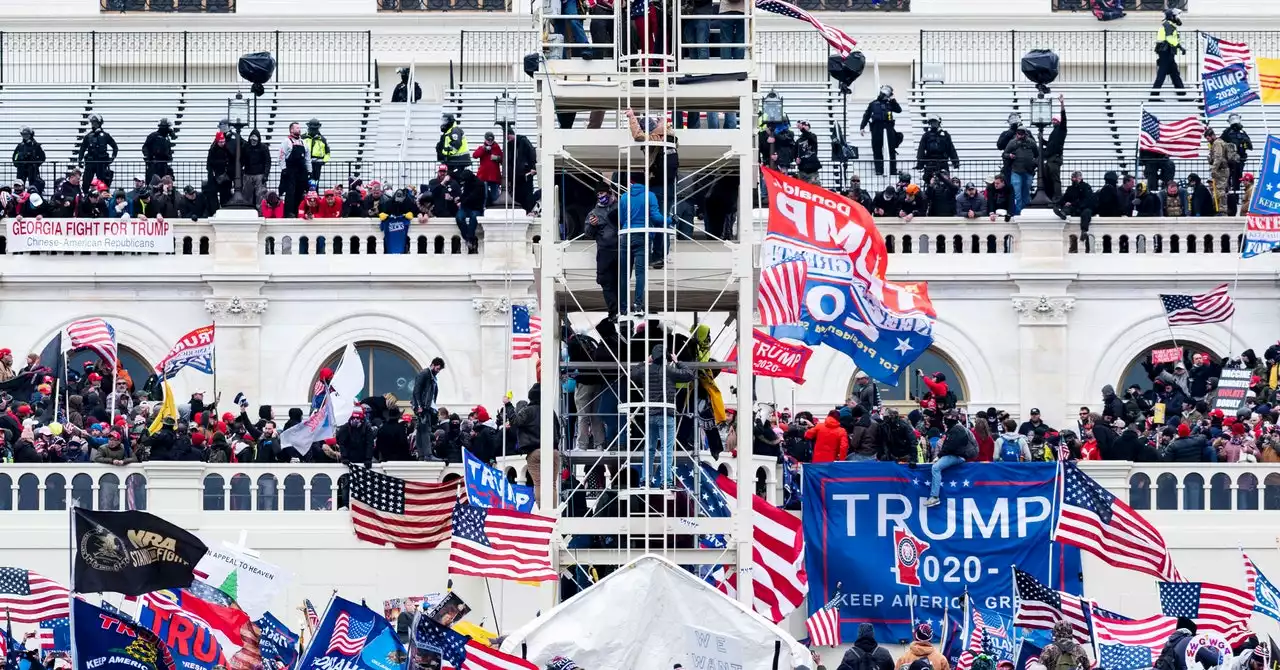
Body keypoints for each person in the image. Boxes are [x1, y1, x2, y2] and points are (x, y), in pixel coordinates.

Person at [629, 344, 694, 487]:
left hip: (650, 414)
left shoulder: (645, 371)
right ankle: (666, 480)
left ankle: (645, 479)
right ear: (666, 356)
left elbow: (632, 374)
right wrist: (677, 361)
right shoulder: (669, 371)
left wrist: (645, 362)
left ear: (652, 356)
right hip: (666, 413)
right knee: (666, 448)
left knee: (650, 447)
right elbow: (689, 375)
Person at [617, 171, 666, 315]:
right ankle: (638, 305)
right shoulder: (650, 195)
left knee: (624, 274)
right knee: (640, 273)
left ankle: (623, 308)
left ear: (631, 181)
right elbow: (656, 218)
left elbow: (621, 219)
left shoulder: (624, 197)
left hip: (626, 235)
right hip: (643, 236)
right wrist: (669, 221)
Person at [585, 181, 620, 316]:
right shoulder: (594, 213)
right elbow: (588, 233)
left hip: (620, 250)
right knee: (606, 282)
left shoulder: (620, 207)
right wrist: (592, 226)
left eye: (602, 193)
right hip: (604, 252)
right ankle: (614, 311)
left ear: (609, 192)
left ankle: (622, 310)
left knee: (620, 282)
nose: (600, 196)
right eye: (598, 194)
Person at [925, 410, 972, 507]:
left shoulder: (957, 429)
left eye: (947, 417)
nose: (944, 420)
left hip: (957, 456)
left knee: (935, 468)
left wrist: (939, 456)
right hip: (956, 454)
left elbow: (950, 446)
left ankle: (934, 497)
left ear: (953, 418)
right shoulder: (954, 429)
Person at [862, 86, 902, 176]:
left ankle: (892, 170)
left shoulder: (890, 104)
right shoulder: (873, 104)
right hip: (877, 127)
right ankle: (879, 170)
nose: (881, 95)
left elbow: (899, 110)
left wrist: (893, 100)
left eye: (884, 94)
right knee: (877, 149)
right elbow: (867, 115)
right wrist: (862, 126)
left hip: (888, 126)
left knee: (891, 149)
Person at [412, 357, 445, 460]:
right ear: (433, 365)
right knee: (425, 429)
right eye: (437, 368)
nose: (438, 371)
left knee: (421, 429)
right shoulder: (425, 374)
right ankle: (428, 454)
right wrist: (419, 406)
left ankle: (422, 454)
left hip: (425, 406)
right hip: (423, 407)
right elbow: (416, 390)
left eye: (439, 369)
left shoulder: (430, 376)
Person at [78, 114, 119, 195]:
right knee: (86, 182)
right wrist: (80, 159)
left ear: (100, 123)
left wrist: (112, 158)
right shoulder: (88, 136)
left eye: (95, 123)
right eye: (92, 123)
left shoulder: (106, 136)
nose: (93, 125)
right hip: (90, 162)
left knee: (103, 182)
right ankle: (86, 196)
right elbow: (82, 149)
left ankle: (104, 197)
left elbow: (115, 147)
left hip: (101, 163)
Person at [1150, 8, 1186, 99]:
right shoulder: (1168, 25)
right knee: (1161, 74)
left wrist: (1178, 46)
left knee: (1175, 74)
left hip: (1167, 51)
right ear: (1171, 16)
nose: (1178, 17)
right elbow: (1170, 39)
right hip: (1166, 52)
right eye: (1177, 15)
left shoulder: (1169, 24)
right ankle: (1153, 97)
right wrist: (1179, 46)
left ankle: (1182, 95)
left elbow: (1171, 39)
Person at [1003, 125, 1039, 215]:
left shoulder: (1031, 142)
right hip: (1016, 171)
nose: (1020, 135)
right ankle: (1018, 213)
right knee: (1017, 194)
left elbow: (1038, 155)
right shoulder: (1012, 143)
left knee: (1026, 194)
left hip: (1028, 171)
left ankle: (1025, 213)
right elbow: (1004, 154)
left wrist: (1034, 163)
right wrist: (1010, 156)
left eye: (1022, 134)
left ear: (1025, 134)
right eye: (1018, 133)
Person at [1055, 171, 1096, 246]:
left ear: (1080, 178)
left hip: (1083, 208)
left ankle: (1084, 231)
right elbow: (1064, 198)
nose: (1073, 180)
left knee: (1086, 213)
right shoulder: (1070, 189)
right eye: (1072, 178)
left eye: (1075, 178)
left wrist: (1073, 203)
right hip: (1073, 208)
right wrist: (1064, 203)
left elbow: (1087, 200)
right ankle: (1063, 213)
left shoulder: (1086, 187)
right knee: (1067, 208)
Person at [1221, 113, 1252, 213]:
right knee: (1229, 181)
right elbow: (1220, 144)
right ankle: (1231, 200)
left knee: (1237, 181)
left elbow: (1250, 146)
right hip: (1230, 162)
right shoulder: (1226, 132)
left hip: (1240, 161)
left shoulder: (1243, 132)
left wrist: (1245, 141)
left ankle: (1236, 199)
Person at [916, 115, 959, 184]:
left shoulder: (945, 135)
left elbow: (951, 149)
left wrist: (955, 162)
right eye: (931, 122)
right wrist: (920, 164)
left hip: (943, 162)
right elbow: (921, 150)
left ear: (939, 123)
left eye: (934, 122)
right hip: (930, 163)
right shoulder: (926, 135)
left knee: (945, 181)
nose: (933, 124)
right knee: (930, 182)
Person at [278, 122, 308, 218]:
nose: (299, 129)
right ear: (291, 130)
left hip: (301, 170)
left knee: (300, 191)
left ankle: (297, 211)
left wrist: (309, 171)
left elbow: (308, 158)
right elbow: (281, 156)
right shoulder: (286, 141)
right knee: (290, 192)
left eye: (299, 128)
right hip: (291, 170)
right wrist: (283, 169)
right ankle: (289, 213)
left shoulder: (303, 142)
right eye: (297, 128)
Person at [454, 168, 485, 254]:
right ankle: (468, 239)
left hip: (476, 207)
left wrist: (461, 201)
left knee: (474, 218)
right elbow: (465, 195)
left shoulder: (479, 184)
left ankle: (470, 238)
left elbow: (473, 197)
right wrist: (460, 199)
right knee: (459, 218)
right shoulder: (467, 182)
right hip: (465, 206)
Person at [1042, 95, 1067, 200]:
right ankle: (1051, 196)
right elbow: (1050, 145)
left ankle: (1057, 197)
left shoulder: (1061, 129)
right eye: (1053, 121)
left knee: (1055, 178)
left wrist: (1062, 104)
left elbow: (1064, 117)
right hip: (1050, 158)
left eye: (1055, 120)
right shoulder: (1055, 132)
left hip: (1054, 158)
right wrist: (1042, 141)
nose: (1053, 122)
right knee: (1048, 178)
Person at [472, 131, 504, 206]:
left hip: (494, 176)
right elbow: (475, 155)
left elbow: (503, 159)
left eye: (491, 140)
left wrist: (497, 158)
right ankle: (483, 210)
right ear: (485, 140)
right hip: (484, 176)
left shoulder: (496, 147)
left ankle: (496, 210)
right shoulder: (482, 147)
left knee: (495, 196)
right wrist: (484, 149)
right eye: (488, 140)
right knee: (484, 195)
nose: (490, 142)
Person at [1205, 128, 1232, 215]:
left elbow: (1218, 157)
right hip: (1220, 169)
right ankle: (1219, 209)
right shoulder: (1215, 143)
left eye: (1208, 138)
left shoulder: (1217, 143)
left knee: (1220, 190)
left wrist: (1214, 169)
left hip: (1222, 170)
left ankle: (1223, 210)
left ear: (1212, 136)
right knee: (1217, 189)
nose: (1208, 140)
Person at [142, 118, 176, 185]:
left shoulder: (166, 138)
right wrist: (149, 157)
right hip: (154, 165)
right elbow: (145, 147)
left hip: (164, 165)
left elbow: (173, 139)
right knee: (153, 183)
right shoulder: (154, 136)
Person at [242, 129, 271, 206]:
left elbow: (267, 162)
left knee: (260, 195)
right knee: (247, 195)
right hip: (248, 174)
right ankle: (248, 211)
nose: (253, 142)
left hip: (260, 175)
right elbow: (242, 160)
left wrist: (265, 175)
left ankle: (261, 212)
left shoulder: (264, 148)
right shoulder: (245, 147)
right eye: (252, 140)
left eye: (255, 140)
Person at [13, 127, 46, 194]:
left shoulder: (36, 145)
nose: (25, 136)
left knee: (34, 186)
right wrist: (17, 163)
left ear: (30, 135)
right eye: (23, 134)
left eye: (27, 134)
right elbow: (15, 156)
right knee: (19, 185)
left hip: (32, 169)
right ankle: (19, 200)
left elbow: (42, 157)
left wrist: (35, 164)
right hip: (21, 169)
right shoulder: (20, 146)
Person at [207, 131, 234, 205]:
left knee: (227, 192)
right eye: (221, 142)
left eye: (223, 141)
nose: (222, 143)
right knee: (222, 192)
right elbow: (210, 162)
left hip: (226, 174)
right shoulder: (213, 150)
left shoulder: (226, 148)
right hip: (219, 174)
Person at [302, 118, 331, 184]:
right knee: (303, 182)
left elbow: (328, 152)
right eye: (312, 128)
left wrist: (323, 161)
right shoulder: (302, 138)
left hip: (317, 165)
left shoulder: (322, 139)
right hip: (305, 164)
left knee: (315, 182)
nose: (313, 130)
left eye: (315, 128)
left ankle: (315, 193)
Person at [795, 120, 822, 185]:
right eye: (803, 125)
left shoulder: (813, 136)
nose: (804, 127)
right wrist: (796, 158)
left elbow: (809, 137)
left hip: (813, 169)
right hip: (802, 169)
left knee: (816, 189)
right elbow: (795, 152)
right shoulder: (798, 140)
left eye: (806, 125)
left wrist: (802, 129)